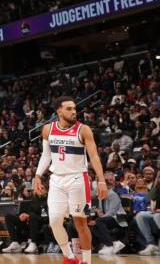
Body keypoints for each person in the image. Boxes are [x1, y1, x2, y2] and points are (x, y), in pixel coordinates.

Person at [34, 96, 108, 264]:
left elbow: (94, 156)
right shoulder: (47, 129)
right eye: (69, 109)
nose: (74, 111)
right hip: (56, 180)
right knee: (54, 221)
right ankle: (69, 257)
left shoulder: (83, 130)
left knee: (80, 222)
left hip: (77, 179)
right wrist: (37, 175)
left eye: (74, 108)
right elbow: (46, 155)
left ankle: (86, 261)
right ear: (59, 111)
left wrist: (101, 180)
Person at [4, 185, 49, 253]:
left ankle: (33, 244)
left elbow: (45, 217)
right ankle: (15, 243)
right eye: (38, 188)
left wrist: (29, 216)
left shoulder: (49, 200)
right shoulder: (35, 199)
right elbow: (30, 211)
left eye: (42, 188)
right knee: (8, 216)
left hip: (41, 222)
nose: (39, 189)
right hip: (30, 221)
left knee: (32, 216)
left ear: (46, 190)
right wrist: (23, 215)